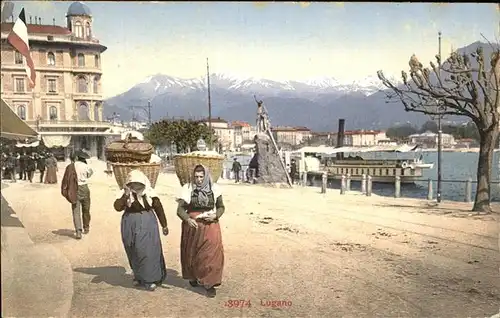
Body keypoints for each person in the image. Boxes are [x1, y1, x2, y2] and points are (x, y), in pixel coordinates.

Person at [113, 170, 168, 291]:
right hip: (129, 223)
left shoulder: (149, 194)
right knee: (132, 248)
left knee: (146, 250)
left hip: (147, 223)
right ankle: (139, 276)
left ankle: (150, 279)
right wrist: (126, 195)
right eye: (133, 184)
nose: (136, 187)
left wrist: (164, 225)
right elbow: (117, 207)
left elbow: (159, 208)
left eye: (138, 184)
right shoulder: (125, 194)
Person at [176, 164, 225, 298]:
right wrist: (187, 219)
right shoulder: (187, 189)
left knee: (211, 253)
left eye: (201, 176)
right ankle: (193, 276)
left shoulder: (214, 188)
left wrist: (216, 215)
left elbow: (221, 207)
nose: (198, 179)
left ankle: (210, 283)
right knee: (192, 253)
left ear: (206, 176)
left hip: (210, 224)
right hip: (193, 226)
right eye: (196, 176)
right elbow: (180, 210)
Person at [62, 150, 93, 239]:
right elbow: (90, 174)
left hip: (74, 189)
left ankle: (78, 231)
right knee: (86, 209)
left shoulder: (70, 167)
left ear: (76, 158)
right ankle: (86, 227)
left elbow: (66, 179)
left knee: (76, 210)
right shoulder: (86, 166)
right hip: (84, 188)